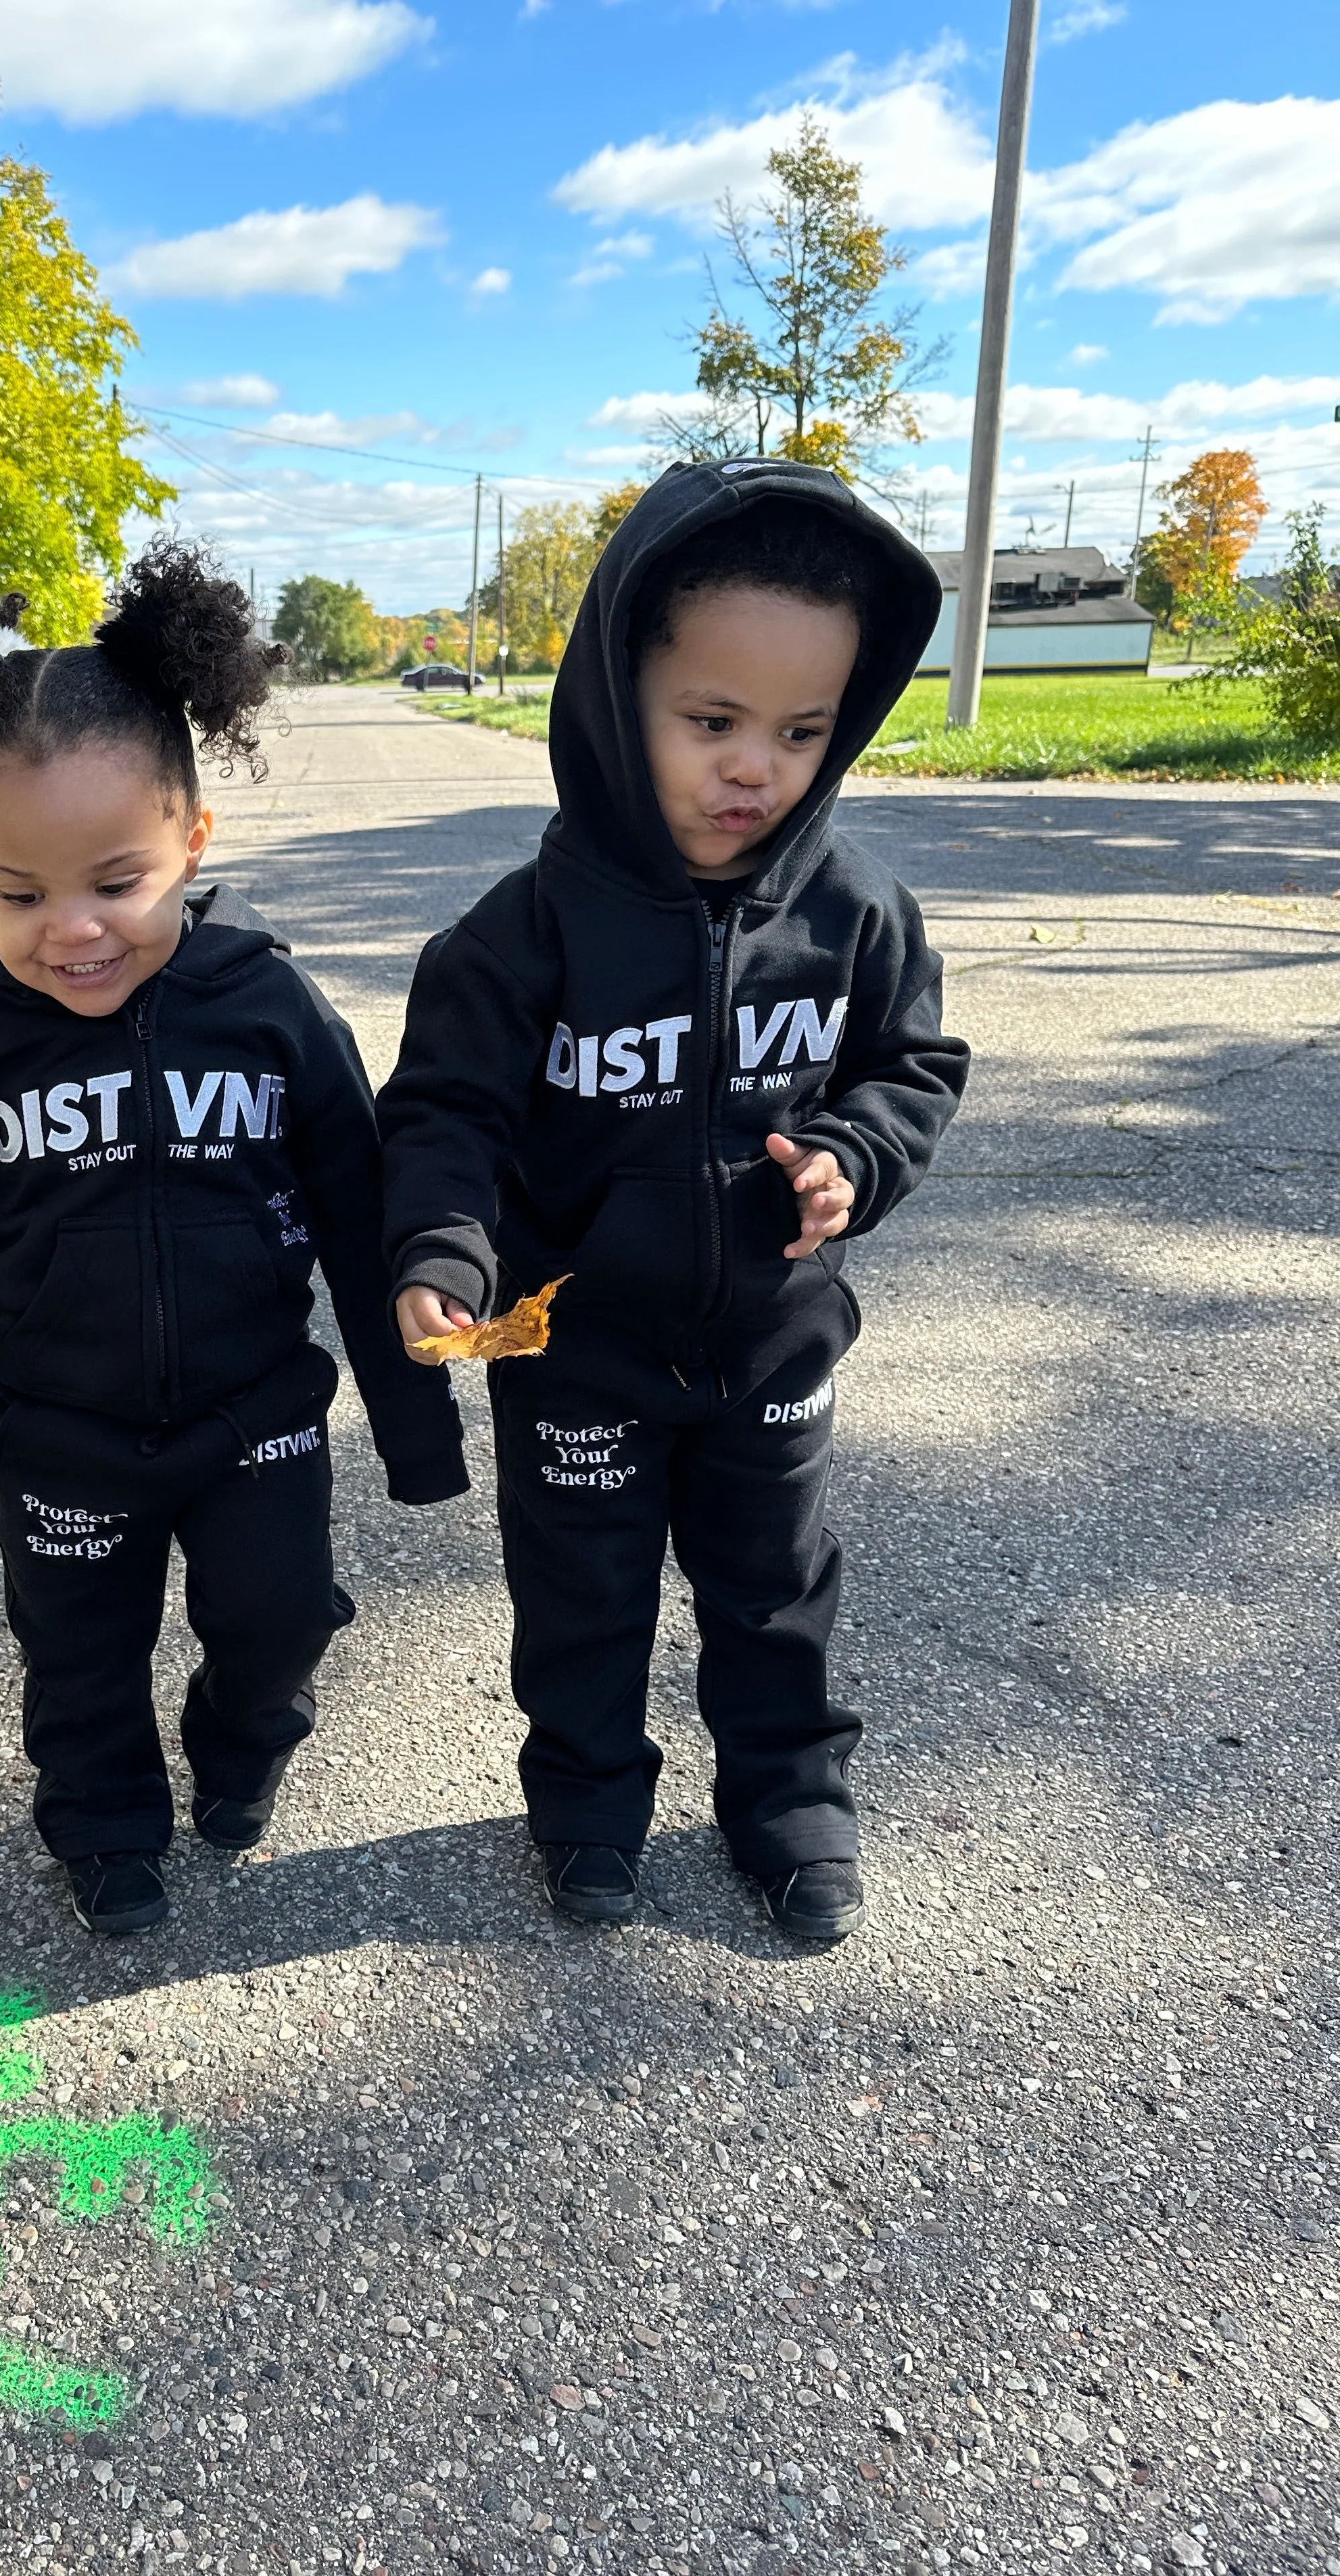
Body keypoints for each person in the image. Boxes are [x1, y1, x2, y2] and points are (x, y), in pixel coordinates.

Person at [0, 539, 467, 1936]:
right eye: (16, 893)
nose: (71, 931)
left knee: (280, 1617)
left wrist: (419, 1437)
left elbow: (369, 1224)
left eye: (116, 880)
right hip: (60, 1438)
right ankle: (108, 1825)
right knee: (77, 1659)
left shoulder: (272, 1011)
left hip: (258, 1421)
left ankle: (245, 1747)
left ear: (192, 834)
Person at [381, 460, 969, 1943]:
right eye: (712, 721)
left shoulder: (856, 914)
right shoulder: (520, 936)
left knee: (774, 1594)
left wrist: (861, 1151)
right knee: (582, 1603)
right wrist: (442, 1246)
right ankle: (585, 1805)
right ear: (613, 692)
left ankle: (789, 1804)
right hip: (571, 1346)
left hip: (771, 1340)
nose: (752, 766)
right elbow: (443, 1110)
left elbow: (915, 1063)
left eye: (800, 730)